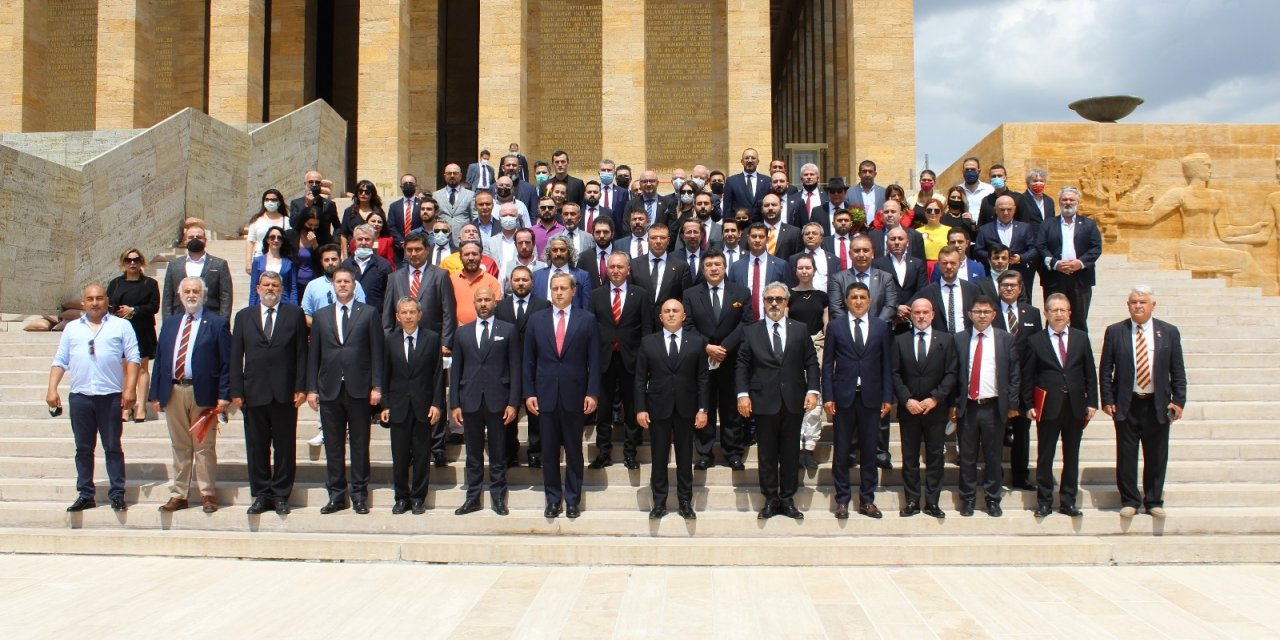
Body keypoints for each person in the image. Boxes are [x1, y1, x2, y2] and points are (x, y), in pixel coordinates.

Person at [47, 284, 140, 512]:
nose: (95, 303)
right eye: (90, 299)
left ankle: (117, 493)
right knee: (83, 448)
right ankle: (86, 494)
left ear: (107, 300)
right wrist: (52, 389)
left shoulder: (122, 325)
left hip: (109, 396)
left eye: (99, 298)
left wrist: (130, 389)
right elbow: (60, 360)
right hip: (81, 396)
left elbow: (134, 358)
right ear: (83, 302)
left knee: (112, 447)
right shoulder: (72, 329)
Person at [1100, 286, 1187, 519]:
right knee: (1126, 455)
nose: (1138, 306)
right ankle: (1129, 500)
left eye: (1143, 302)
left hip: (1157, 404)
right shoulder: (1116, 331)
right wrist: (1107, 399)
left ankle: (1154, 500)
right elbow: (1106, 368)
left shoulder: (1168, 332)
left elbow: (1177, 370)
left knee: (1157, 455)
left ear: (1152, 305)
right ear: (1128, 305)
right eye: (1133, 302)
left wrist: (1178, 401)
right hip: (1127, 403)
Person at [737, 283, 820, 520]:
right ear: (763, 302)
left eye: (779, 299)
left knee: (791, 453)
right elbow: (742, 364)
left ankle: (788, 499)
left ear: (787, 303)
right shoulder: (751, 331)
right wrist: (742, 395)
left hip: (794, 401)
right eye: (769, 299)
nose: (774, 303)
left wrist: (813, 390)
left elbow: (811, 362)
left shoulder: (800, 329)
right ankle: (771, 500)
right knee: (767, 454)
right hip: (763, 401)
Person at [150, 277, 231, 514]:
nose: (192, 295)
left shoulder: (216, 323)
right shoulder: (171, 324)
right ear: (179, 294)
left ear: (204, 295)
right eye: (187, 291)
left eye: (196, 291)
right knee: (180, 445)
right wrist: (155, 394)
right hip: (174, 391)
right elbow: (161, 360)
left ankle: (207, 494)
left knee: (204, 445)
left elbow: (227, 362)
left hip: (203, 392)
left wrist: (224, 394)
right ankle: (179, 494)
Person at [307, 267, 384, 515]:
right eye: (338, 281)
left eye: (347, 281)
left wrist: (377, 385)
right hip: (330, 389)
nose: (342, 285)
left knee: (360, 445)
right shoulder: (320, 316)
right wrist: (311, 388)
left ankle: (360, 495)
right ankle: (336, 496)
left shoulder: (369, 313)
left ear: (354, 285)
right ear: (333, 285)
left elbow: (377, 352)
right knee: (333, 446)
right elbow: (314, 355)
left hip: (360, 389)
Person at [524, 272, 600, 519]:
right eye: (554, 288)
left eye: (563, 288)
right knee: (548, 453)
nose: (559, 292)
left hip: (575, 395)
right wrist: (529, 393)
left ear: (573, 290)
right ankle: (553, 500)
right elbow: (529, 361)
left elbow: (594, 361)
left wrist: (592, 392)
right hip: (545, 396)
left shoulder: (586, 320)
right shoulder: (536, 320)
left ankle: (572, 500)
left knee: (574, 451)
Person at [230, 271, 308, 516]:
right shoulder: (244, 317)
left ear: (282, 289)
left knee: (285, 447)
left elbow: (301, 353)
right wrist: (236, 390)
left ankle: (282, 494)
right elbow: (235, 356)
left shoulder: (294, 314)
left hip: (285, 393)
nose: (270, 289)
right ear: (257, 289)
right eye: (266, 285)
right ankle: (262, 494)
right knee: (257, 446)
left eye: (275, 285)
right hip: (254, 392)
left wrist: (301, 387)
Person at [822, 282, 894, 519]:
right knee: (842, 450)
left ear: (870, 300)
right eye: (854, 297)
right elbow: (827, 364)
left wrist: (887, 397)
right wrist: (828, 395)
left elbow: (887, 365)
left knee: (870, 451)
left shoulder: (881, 327)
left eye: (863, 297)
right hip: (844, 397)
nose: (859, 301)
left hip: (871, 398)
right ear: (846, 301)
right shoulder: (835, 327)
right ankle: (842, 499)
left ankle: (867, 499)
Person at [1024, 294, 1098, 518]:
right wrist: (1028, 404)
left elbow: (1090, 373)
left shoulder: (1081, 338)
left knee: (1071, 455)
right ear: (1046, 314)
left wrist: (1092, 402)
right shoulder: (1035, 341)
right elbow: (1028, 376)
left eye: (1063, 310)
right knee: (1045, 456)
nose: (1058, 314)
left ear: (1069, 314)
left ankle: (1068, 501)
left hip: (1075, 406)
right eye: (1054, 310)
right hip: (1048, 406)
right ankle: (1044, 501)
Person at [635, 298, 710, 520]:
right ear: (660, 317)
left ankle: (685, 502)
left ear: (683, 315)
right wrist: (640, 408)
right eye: (666, 311)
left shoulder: (697, 342)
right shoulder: (648, 342)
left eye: (675, 311)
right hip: (658, 409)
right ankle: (659, 503)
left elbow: (703, 379)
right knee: (659, 458)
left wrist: (703, 409)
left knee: (685, 458)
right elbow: (640, 379)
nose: (670, 314)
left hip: (687, 410)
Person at [450, 287, 521, 515]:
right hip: (470, 401)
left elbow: (515, 368)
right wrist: (455, 404)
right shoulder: (462, 333)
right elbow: (456, 370)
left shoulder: (508, 330)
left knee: (499, 454)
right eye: (479, 300)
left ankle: (498, 498)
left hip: (498, 401)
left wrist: (513, 403)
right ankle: (473, 498)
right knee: (473, 454)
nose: (483, 304)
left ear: (495, 302)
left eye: (487, 300)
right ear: (474, 302)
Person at [682, 251, 753, 470]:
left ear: (725, 267)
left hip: (731, 359)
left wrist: (724, 347)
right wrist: (707, 347)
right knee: (705, 405)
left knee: (731, 407)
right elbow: (688, 325)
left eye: (718, 264)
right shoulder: (691, 294)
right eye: (709, 265)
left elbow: (746, 323)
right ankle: (704, 452)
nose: (714, 268)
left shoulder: (741, 292)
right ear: (703, 270)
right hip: (702, 360)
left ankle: (733, 453)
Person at [951, 296, 1019, 518]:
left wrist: (1012, 404)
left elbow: (1014, 374)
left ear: (994, 315)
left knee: (993, 455)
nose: (981, 315)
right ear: (969, 314)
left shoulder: (1006, 339)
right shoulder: (959, 339)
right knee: (967, 456)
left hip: (993, 406)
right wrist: (953, 403)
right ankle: (968, 498)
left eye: (986, 312)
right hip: (967, 407)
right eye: (977, 311)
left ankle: (992, 498)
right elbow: (953, 374)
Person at [891, 298, 957, 519]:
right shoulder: (900, 340)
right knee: (909, 458)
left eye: (925, 312)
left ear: (932, 315)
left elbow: (951, 373)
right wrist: (906, 399)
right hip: (909, 409)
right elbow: (894, 373)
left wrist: (935, 398)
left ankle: (932, 502)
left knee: (935, 457)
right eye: (916, 312)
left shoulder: (946, 341)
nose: (920, 316)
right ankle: (911, 501)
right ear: (911, 315)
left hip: (935, 410)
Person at [588, 252, 652, 470]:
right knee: (603, 410)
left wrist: (646, 360)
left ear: (628, 270)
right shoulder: (596, 295)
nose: (615, 270)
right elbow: (590, 330)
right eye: (611, 267)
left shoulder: (641, 294)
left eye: (620, 267)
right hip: (603, 360)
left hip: (632, 360)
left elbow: (646, 329)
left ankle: (630, 452)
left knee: (632, 408)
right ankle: (603, 452)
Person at [379, 297, 444, 515]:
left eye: (412, 312)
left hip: (423, 406)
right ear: (397, 317)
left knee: (422, 455)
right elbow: (384, 374)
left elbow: (437, 374)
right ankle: (401, 497)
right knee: (399, 456)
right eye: (404, 313)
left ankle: (418, 498)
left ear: (419, 314)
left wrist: (437, 403)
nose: (408, 316)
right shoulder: (389, 340)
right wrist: (385, 404)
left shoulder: (432, 339)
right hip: (398, 407)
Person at [992, 271, 1042, 491]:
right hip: (997, 381)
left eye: (1013, 285)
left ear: (1021, 289)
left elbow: (1037, 347)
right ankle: (995, 475)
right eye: (1004, 285)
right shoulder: (990, 312)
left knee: (1022, 432)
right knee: (996, 432)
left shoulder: (1032, 313)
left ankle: (1021, 476)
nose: (1009, 289)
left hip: (1024, 382)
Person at [496, 266, 551, 467]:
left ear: (532, 282)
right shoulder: (500, 307)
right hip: (507, 368)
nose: (520, 283)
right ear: (510, 282)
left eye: (524, 280)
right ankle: (510, 452)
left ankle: (535, 452)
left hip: (535, 367)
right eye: (517, 280)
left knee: (536, 413)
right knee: (508, 412)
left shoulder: (543, 305)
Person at [1037, 187, 1102, 330]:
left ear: (1077, 202)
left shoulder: (1089, 225)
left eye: (1071, 200)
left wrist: (1080, 263)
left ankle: (1080, 352)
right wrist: (1055, 264)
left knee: (1079, 320)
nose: (1068, 202)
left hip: (1081, 278)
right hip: (1054, 278)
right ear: (1059, 202)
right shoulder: (1048, 224)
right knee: (1054, 318)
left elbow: (1096, 248)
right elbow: (1041, 247)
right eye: (1064, 199)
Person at [107, 248, 160, 423]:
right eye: (129, 260)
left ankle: (141, 406)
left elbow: (154, 307)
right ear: (123, 263)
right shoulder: (115, 283)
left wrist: (134, 310)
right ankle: (125, 407)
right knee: (124, 366)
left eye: (136, 260)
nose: (132, 263)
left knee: (142, 367)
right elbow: (108, 304)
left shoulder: (149, 284)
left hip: (141, 328)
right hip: (120, 329)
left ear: (141, 262)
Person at [788, 254, 829, 471]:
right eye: (801, 268)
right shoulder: (788, 296)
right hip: (793, 349)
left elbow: (827, 324)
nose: (804, 271)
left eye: (808, 268)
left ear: (814, 270)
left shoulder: (822, 296)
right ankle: (794, 447)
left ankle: (809, 448)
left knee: (815, 399)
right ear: (795, 271)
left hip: (817, 348)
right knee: (794, 398)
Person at [382, 231, 457, 351]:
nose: (413, 253)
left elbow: (448, 311)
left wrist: (446, 343)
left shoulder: (440, 275)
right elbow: (387, 314)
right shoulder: (394, 277)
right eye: (409, 250)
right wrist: (388, 339)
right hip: (401, 341)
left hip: (432, 341)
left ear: (427, 250)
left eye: (418, 249)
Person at [975, 194, 1039, 296]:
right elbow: (978, 250)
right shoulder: (984, 230)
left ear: (1014, 209)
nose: (1005, 213)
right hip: (993, 274)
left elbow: (1034, 249)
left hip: (1018, 273)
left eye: (1009, 209)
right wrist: (993, 258)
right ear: (995, 210)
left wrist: (1021, 258)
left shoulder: (1024, 228)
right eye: (1002, 209)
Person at [163, 225, 232, 319]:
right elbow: (167, 297)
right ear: (184, 240)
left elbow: (226, 296)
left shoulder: (219, 264)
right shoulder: (174, 265)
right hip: (180, 318)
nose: (195, 239)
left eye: (199, 237)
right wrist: (167, 323)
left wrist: (223, 322)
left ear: (205, 240)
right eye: (191, 237)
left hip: (210, 318)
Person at [827, 235, 899, 322]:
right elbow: (835, 307)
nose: (861, 255)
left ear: (872, 254)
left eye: (866, 250)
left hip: (878, 331)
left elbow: (890, 306)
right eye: (857, 251)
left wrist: (875, 326)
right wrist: (851, 326)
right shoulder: (838, 279)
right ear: (850, 254)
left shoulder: (885, 278)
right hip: (847, 332)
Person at [729, 222, 791, 321]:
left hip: (771, 321)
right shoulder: (736, 267)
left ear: (767, 239)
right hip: (743, 323)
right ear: (748, 238)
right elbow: (730, 296)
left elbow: (788, 296)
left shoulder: (781, 265)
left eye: (761, 236)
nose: (757, 240)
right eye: (754, 236)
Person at [629, 223, 691, 321]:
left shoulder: (681, 266)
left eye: (662, 238)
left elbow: (686, 300)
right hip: (640, 323)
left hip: (669, 323)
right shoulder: (634, 264)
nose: (658, 241)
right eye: (654, 237)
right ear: (648, 240)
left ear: (668, 241)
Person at [913, 246, 979, 334]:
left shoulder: (972, 290)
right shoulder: (927, 292)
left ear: (959, 264)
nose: (948, 266)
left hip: (965, 340)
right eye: (945, 263)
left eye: (953, 263)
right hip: (939, 343)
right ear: (939, 264)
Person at [300, 244, 367, 325]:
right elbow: (305, 314)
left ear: (340, 259)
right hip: (322, 334)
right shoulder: (312, 286)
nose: (330, 262)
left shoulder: (354, 284)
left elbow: (362, 312)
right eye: (326, 260)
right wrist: (322, 327)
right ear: (321, 262)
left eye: (334, 259)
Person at [449, 240, 503, 327]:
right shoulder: (451, 280)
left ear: (481, 257)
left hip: (485, 331)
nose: (471, 258)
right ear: (460, 258)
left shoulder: (492, 281)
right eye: (466, 254)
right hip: (456, 331)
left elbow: (497, 310)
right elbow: (446, 309)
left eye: (474, 254)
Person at [289, 170, 341, 250]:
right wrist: (307, 205)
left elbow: (337, 226)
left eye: (317, 182)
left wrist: (335, 243)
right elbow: (293, 224)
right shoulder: (296, 203)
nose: (314, 185)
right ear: (305, 184)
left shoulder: (329, 204)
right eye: (311, 182)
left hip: (323, 247)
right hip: (302, 246)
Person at [248, 226, 299, 306]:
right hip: (261, 303)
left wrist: (294, 308)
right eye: (272, 237)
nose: (276, 240)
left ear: (282, 241)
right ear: (267, 240)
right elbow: (253, 288)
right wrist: (251, 308)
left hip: (284, 304)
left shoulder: (289, 263)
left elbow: (293, 288)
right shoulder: (257, 261)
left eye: (279, 238)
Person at [245, 188, 290, 272]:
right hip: (259, 257)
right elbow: (250, 241)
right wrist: (248, 262)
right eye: (267, 199)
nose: (270, 202)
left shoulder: (286, 221)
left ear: (279, 202)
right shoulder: (256, 220)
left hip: (279, 258)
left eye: (273, 200)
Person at [723, 147, 770, 219]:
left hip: (761, 226)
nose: (750, 160)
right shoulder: (731, 181)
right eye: (747, 158)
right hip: (740, 226)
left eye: (753, 158)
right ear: (742, 161)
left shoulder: (767, 181)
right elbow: (727, 209)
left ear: (758, 161)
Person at [434, 163, 478, 236]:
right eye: (449, 173)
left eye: (455, 173)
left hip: (462, 238)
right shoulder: (436, 195)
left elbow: (475, 218)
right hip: (442, 237)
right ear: (445, 176)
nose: (452, 176)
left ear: (460, 176)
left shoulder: (470, 195)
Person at [289, 206, 323, 294]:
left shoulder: (323, 237)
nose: (312, 228)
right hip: (294, 284)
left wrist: (315, 244)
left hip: (313, 283)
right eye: (309, 225)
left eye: (316, 225)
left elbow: (322, 262)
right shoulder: (291, 235)